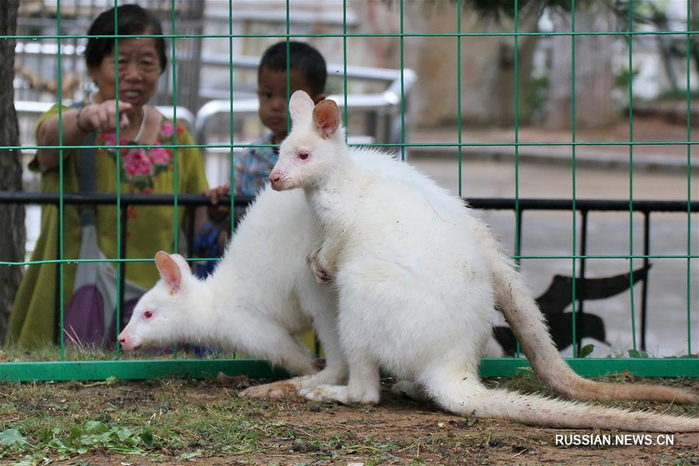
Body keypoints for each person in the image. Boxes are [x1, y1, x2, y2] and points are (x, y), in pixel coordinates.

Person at [7, 4, 212, 348]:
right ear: (93, 68)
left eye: (146, 62)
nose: (134, 74)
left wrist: (219, 212)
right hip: (68, 295)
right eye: (119, 62)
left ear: (162, 67)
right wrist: (86, 120)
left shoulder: (178, 139)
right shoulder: (71, 121)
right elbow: (46, 144)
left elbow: (201, 224)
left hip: (154, 312)